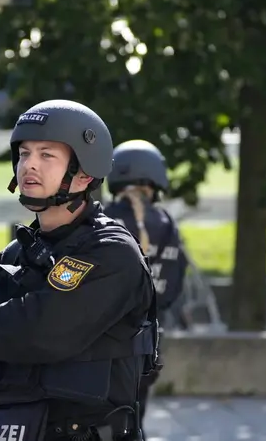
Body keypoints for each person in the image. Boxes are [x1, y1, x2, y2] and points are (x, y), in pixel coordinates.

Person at [0, 100, 160, 441]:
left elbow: (47, 327)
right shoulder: (17, 255)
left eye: (47, 155)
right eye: (24, 154)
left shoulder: (111, 253)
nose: (29, 165)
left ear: (85, 172)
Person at [103, 139, 188, 438]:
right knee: (135, 419)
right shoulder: (166, 223)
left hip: (103, 345)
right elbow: (175, 283)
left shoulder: (102, 220)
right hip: (150, 342)